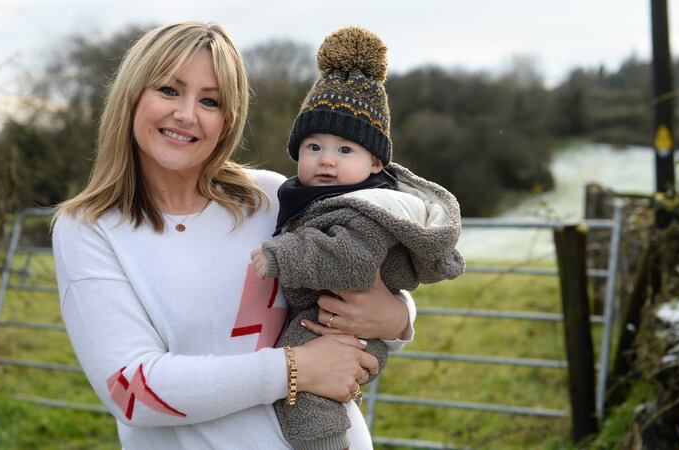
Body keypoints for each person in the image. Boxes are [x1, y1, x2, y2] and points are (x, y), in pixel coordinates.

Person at [51, 22, 417, 450]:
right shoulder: (88, 228)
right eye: (169, 90)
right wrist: (294, 368)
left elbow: (364, 274)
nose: (186, 114)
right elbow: (133, 392)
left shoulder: (272, 196)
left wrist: (399, 316)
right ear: (132, 95)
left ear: (228, 120)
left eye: (210, 101)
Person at [250, 26, 465, 450]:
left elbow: (347, 259)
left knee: (307, 400)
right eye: (314, 146)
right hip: (333, 319)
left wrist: (283, 255)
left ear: (375, 162)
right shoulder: (311, 197)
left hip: (338, 329)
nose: (326, 160)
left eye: (345, 150)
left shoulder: (365, 209)